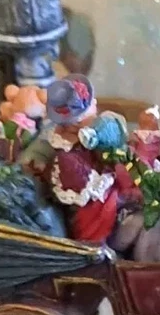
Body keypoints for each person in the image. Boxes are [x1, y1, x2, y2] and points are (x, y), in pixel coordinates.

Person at [45, 74, 137, 244]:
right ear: (74, 124)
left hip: (110, 184)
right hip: (93, 208)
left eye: (93, 104)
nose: (96, 108)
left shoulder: (93, 134)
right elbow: (93, 188)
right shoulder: (66, 156)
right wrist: (114, 170)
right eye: (91, 108)